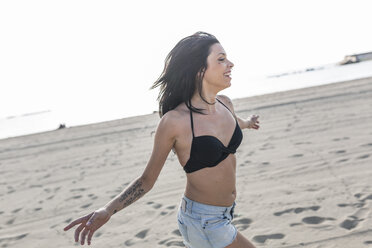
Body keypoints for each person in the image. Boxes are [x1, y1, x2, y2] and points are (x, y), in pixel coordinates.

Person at [64, 32, 260, 248]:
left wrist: (248, 123)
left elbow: (235, 123)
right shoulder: (175, 122)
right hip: (202, 221)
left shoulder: (225, 104)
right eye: (221, 59)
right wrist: (108, 210)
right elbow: (146, 180)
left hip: (224, 215)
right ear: (199, 70)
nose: (230, 64)